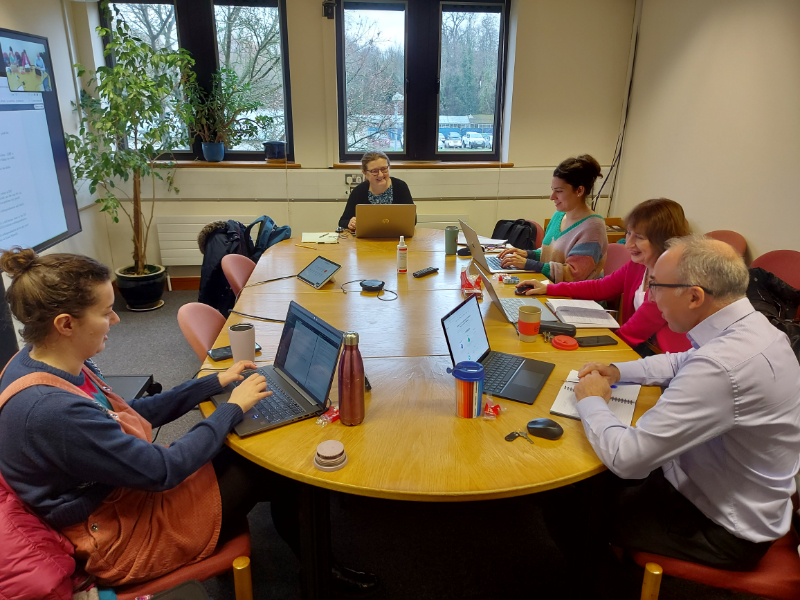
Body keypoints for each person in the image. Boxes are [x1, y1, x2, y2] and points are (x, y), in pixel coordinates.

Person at [0, 248, 377, 594]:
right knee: (275, 468)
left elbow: (129, 415)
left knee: (256, 450)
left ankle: (314, 560)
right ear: (65, 324)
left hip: (122, 496)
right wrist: (232, 408)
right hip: (120, 539)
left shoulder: (40, 363)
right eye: (105, 312)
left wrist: (212, 383)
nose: (115, 319)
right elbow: (162, 470)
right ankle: (320, 574)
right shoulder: (51, 410)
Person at [544, 237, 800, 595]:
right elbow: (683, 360)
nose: (649, 296)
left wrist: (592, 400)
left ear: (694, 296)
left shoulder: (722, 367)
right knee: (588, 481)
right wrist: (619, 371)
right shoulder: (752, 326)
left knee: (567, 501)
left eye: (656, 286)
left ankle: (601, 584)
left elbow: (628, 460)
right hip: (721, 491)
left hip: (721, 529)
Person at [516, 198, 692, 353]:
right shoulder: (639, 265)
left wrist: (585, 347)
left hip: (665, 361)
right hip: (640, 349)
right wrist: (548, 288)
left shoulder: (669, 281)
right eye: (629, 233)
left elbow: (631, 334)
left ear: (664, 240)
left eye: (639, 237)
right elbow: (601, 287)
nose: (628, 243)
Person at [498, 154, 608, 283]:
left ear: (579, 190)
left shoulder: (593, 227)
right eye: (552, 190)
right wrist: (526, 254)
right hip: (552, 289)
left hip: (578, 300)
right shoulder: (559, 216)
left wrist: (528, 264)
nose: (552, 197)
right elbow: (549, 255)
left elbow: (573, 274)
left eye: (559, 191)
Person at [338, 151, 414, 232]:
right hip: (366, 241)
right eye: (374, 171)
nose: (380, 175)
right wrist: (350, 223)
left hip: (396, 239)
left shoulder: (400, 187)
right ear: (365, 173)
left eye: (384, 169)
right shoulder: (358, 191)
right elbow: (342, 221)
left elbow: (413, 219)